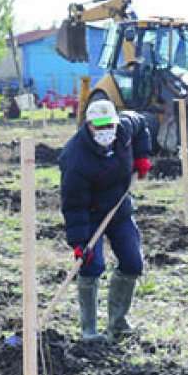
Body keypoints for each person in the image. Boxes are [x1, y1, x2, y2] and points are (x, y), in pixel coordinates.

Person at [59, 99, 152, 342]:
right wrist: (79, 242)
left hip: (119, 208)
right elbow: (73, 204)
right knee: (92, 266)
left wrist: (141, 156)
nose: (104, 131)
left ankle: (117, 325)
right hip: (89, 216)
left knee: (133, 263)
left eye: (108, 125)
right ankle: (89, 330)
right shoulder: (75, 158)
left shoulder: (125, 129)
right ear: (88, 125)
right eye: (98, 126)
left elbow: (142, 124)